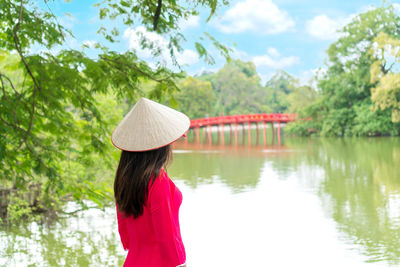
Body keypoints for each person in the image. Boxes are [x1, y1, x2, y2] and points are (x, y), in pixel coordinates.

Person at [111, 97, 189, 267]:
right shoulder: (157, 181)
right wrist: (179, 264)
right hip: (160, 262)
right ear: (160, 144)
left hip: (133, 260)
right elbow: (166, 235)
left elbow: (125, 234)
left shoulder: (125, 178)